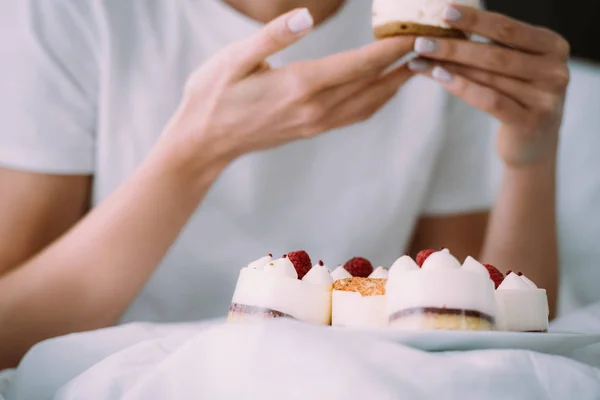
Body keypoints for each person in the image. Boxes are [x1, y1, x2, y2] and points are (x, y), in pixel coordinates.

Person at [0, 0, 570, 369]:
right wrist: (196, 151)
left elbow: (486, 330)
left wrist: (531, 158)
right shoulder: (65, 13)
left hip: (361, 377)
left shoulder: (435, 19)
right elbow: (10, 334)